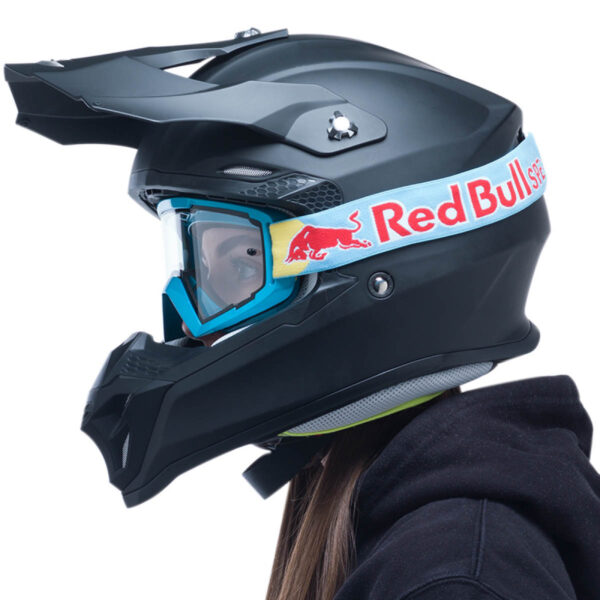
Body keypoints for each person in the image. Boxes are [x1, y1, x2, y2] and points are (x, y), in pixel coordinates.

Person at [6, 28, 599, 600]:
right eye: (195, 267)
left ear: (375, 265)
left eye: (239, 261)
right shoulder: (396, 521)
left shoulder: (455, 576)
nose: (186, 320)